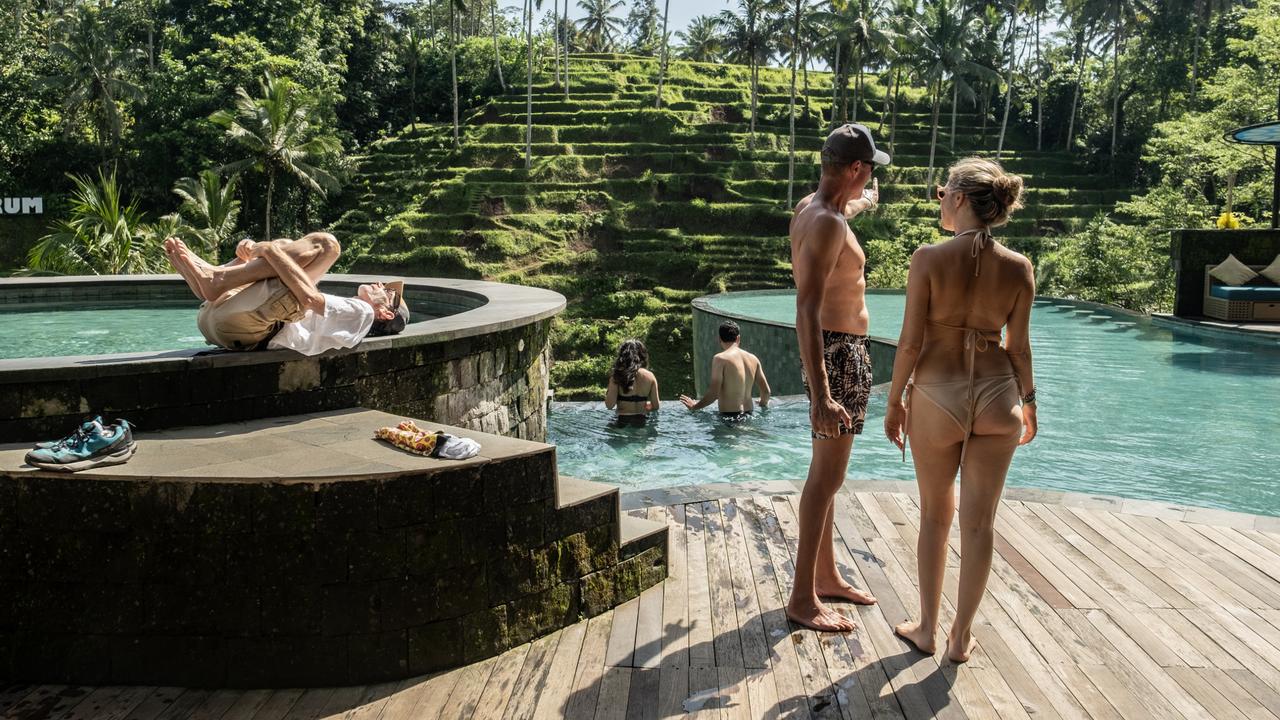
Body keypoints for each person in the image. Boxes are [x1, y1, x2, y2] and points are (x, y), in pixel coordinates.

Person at [883, 157, 1038, 663]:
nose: (940, 198)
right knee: (980, 524)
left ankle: (926, 629)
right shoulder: (1019, 267)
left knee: (935, 517)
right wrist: (1030, 402)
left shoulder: (927, 258)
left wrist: (893, 402)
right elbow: (1019, 347)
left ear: (959, 198)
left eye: (943, 190)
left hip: (936, 395)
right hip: (999, 397)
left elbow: (908, 343)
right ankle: (960, 638)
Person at [785, 123, 887, 632]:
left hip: (841, 351)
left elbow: (849, 206)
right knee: (826, 477)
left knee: (827, 475)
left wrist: (865, 197)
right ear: (853, 168)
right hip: (838, 354)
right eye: (867, 170)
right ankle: (803, 598)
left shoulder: (813, 207)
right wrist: (821, 393)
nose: (870, 177)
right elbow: (806, 307)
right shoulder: (826, 223)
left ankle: (824, 576)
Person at [165, 233, 408, 355]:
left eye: (387, 292)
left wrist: (269, 251)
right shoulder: (349, 316)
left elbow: (308, 299)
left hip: (247, 326)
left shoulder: (363, 314)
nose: (380, 284)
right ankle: (218, 278)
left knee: (327, 245)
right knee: (288, 246)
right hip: (227, 321)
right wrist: (257, 254)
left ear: (385, 313)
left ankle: (219, 279)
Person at [678, 320, 771, 422]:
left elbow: (714, 393)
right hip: (749, 415)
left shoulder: (720, 359)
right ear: (738, 338)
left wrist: (694, 406)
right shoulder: (753, 359)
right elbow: (766, 392)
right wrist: (763, 404)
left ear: (720, 339)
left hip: (730, 419)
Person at [604, 339, 659, 427]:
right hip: (642, 421)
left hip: (622, 422)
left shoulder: (617, 375)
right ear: (643, 355)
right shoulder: (650, 376)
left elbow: (609, 405)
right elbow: (656, 406)